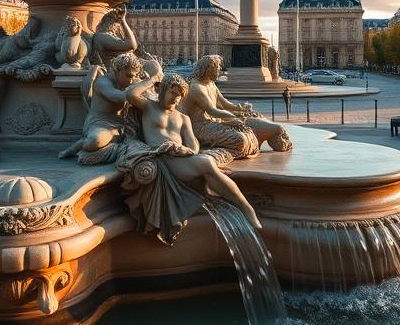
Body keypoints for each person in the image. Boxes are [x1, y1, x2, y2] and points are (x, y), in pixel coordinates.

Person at [121, 72, 262, 236]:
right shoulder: (148, 107)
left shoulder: (182, 117)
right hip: (162, 158)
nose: (176, 99)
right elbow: (130, 94)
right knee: (207, 163)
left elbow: (193, 144)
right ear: (163, 89)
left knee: (206, 161)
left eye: (180, 96)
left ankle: (243, 207)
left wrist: (184, 150)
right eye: (173, 93)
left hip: (180, 158)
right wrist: (153, 79)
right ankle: (245, 207)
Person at [180, 55, 292, 159]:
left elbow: (224, 104)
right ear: (209, 69)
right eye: (217, 68)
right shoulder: (196, 88)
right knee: (240, 139)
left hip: (215, 121)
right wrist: (234, 117)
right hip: (201, 127)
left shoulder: (210, 84)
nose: (219, 70)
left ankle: (259, 139)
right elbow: (213, 111)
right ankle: (212, 153)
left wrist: (241, 108)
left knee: (252, 124)